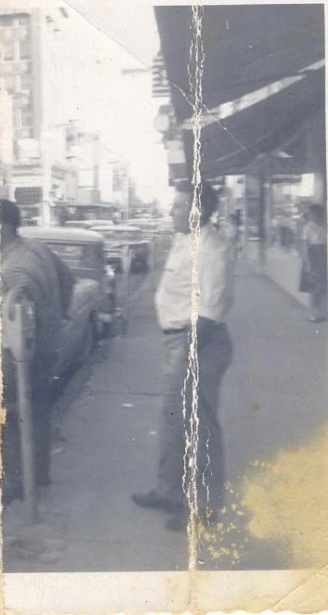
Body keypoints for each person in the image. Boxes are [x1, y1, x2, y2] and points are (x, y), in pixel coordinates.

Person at [132, 181, 235, 531]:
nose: (172, 211)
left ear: (198, 211)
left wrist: (185, 358)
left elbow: (209, 314)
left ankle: (206, 507)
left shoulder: (212, 250)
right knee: (173, 419)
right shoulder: (184, 239)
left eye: (178, 206)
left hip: (199, 344)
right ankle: (169, 491)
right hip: (178, 341)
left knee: (198, 425)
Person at [0, 200, 75, 503]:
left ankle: (18, 481)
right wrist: (58, 317)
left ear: (2, 227)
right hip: (47, 348)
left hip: (22, 355)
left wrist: (19, 357)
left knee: (4, 413)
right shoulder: (36, 248)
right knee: (39, 413)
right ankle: (39, 475)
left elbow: (23, 315)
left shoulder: (13, 268)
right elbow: (68, 279)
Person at [300, 203, 327, 322]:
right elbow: (305, 246)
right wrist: (307, 263)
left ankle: (319, 312)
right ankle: (312, 313)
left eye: (316, 213)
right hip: (313, 257)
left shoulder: (324, 226)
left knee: (321, 287)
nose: (314, 216)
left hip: (322, 256)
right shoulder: (308, 227)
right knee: (313, 288)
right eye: (312, 214)